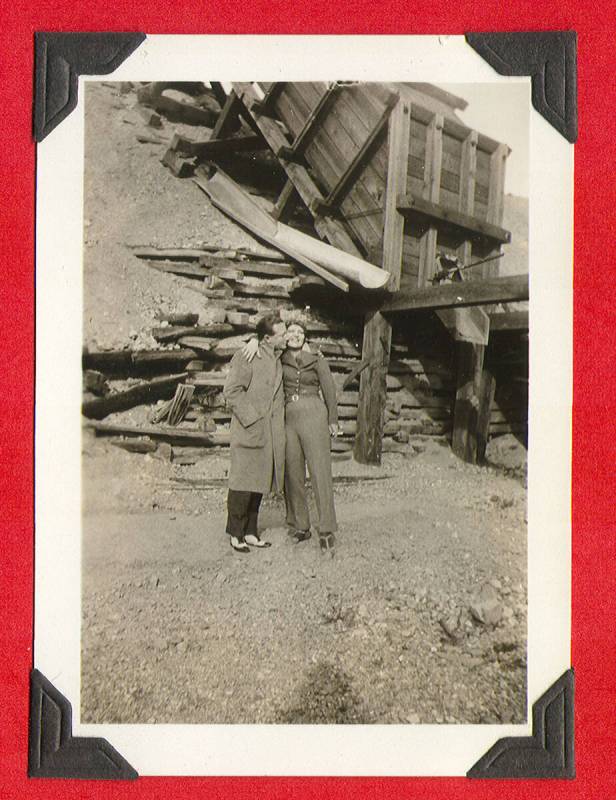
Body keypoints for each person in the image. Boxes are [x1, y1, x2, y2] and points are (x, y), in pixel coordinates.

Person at [244, 321, 340, 555]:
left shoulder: (317, 358)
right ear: (285, 336)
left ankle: (326, 528)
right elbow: (262, 348)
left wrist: (333, 420)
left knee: (320, 471)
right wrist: (254, 339)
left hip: (315, 415)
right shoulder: (279, 358)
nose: (296, 336)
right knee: (292, 473)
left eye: (300, 332)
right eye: (292, 332)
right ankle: (300, 525)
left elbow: (329, 390)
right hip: (288, 419)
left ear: (305, 337)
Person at [223, 314, 287, 553]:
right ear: (269, 339)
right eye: (282, 334)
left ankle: (250, 531)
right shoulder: (247, 356)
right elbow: (231, 392)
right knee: (242, 482)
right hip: (249, 430)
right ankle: (235, 533)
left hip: (268, 434)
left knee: (259, 482)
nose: (287, 337)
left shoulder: (277, 357)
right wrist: (252, 419)